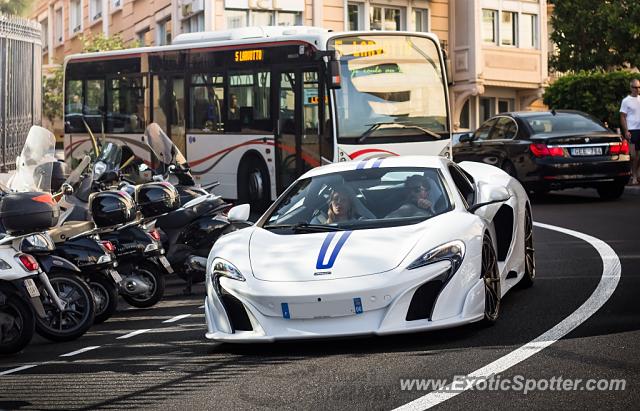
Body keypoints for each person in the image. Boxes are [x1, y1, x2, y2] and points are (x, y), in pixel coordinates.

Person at [620, 78, 640, 185]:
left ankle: (636, 174)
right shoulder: (626, 101)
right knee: (633, 155)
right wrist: (626, 131)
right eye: (635, 87)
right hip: (632, 130)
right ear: (630, 88)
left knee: (638, 155)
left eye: (639, 87)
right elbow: (622, 117)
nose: (637, 89)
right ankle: (633, 175)